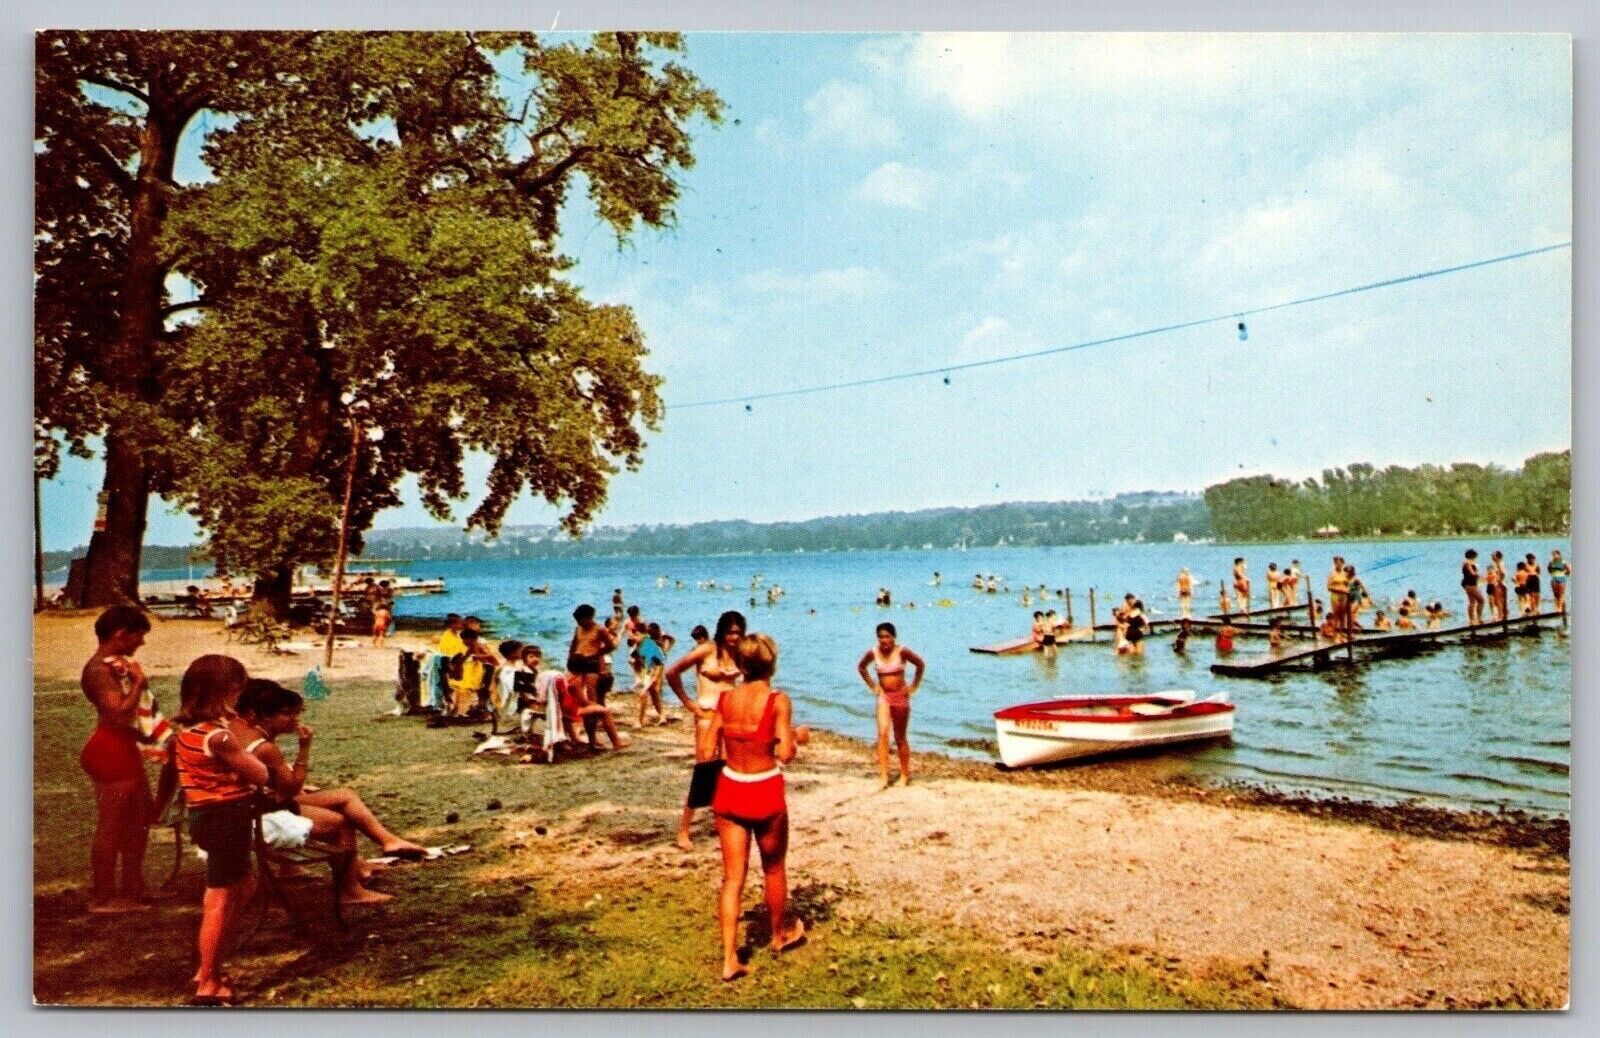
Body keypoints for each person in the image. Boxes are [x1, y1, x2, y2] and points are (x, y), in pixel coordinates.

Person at [231, 679, 426, 903]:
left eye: (297, 713)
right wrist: (304, 748)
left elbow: (274, 781)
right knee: (339, 821)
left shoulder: (242, 733)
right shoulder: (265, 748)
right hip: (260, 813)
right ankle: (351, 890)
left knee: (341, 796)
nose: (294, 719)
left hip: (250, 805)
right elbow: (291, 786)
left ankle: (374, 851)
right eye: (288, 714)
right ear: (263, 715)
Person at [708, 633, 809, 981]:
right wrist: (798, 737)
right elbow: (785, 754)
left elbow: (708, 751)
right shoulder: (778, 700)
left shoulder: (724, 699)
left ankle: (728, 958)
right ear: (772, 665)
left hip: (730, 787)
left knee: (732, 878)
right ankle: (779, 936)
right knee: (774, 867)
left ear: (739, 666)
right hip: (764, 788)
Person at [171, 655, 272, 1005]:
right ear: (227, 693)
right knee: (219, 899)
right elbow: (261, 774)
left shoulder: (186, 731)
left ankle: (209, 960)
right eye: (239, 692)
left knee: (245, 885)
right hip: (226, 818)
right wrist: (252, 741)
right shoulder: (219, 737)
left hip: (203, 817)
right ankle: (209, 981)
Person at [80, 606, 158, 915]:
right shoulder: (99, 670)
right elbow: (117, 714)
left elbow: (133, 719)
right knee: (112, 825)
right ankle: (102, 898)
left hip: (123, 747)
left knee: (139, 820)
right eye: (138, 636)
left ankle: (133, 887)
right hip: (110, 750)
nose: (141, 643)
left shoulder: (114, 666)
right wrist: (139, 683)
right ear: (121, 634)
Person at [666, 611, 746, 851]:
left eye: (739, 632)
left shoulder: (739, 654)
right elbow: (672, 672)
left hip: (729, 716)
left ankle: (722, 820)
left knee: (726, 770)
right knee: (702, 771)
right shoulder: (707, 649)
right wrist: (689, 704)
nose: (735, 636)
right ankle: (683, 830)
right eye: (731, 632)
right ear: (721, 631)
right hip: (707, 715)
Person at [856, 622, 925, 788]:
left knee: (900, 737)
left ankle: (905, 774)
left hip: (901, 697)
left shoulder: (902, 651)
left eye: (887, 636)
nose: (883, 640)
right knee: (883, 733)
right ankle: (884, 776)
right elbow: (861, 667)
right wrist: (873, 687)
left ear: (894, 637)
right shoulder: (873, 652)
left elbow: (920, 664)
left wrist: (914, 686)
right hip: (884, 697)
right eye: (880, 637)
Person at [566, 604, 616, 712]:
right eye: (577, 620)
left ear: (589, 618)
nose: (578, 623)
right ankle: (578, 714)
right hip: (578, 662)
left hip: (591, 663)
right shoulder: (578, 628)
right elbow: (574, 644)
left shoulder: (599, 629)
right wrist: (570, 658)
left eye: (580, 620)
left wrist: (598, 653)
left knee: (591, 691)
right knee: (574, 689)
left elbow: (611, 646)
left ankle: (594, 715)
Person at [634, 623, 669, 727]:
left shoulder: (648, 645)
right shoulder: (640, 645)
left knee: (642, 695)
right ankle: (662, 716)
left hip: (650, 674)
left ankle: (639, 721)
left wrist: (655, 677)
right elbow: (635, 661)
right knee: (654, 695)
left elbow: (659, 663)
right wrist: (637, 676)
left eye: (636, 634)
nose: (634, 637)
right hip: (645, 673)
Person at [1461, 549, 1484, 625]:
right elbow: (1473, 573)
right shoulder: (1467, 563)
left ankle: (1472, 620)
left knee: (1472, 602)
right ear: (1473, 556)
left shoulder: (1467, 563)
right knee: (1481, 600)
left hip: (1469, 584)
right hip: (1470, 584)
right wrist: (1482, 577)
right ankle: (1479, 618)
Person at [1486, 551, 1509, 623]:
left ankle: (1501, 617)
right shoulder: (1496, 564)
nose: (1492, 557)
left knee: (1499, 601)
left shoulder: (1499, 564)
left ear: (1498, 557)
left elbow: (1502, 574)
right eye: (1492, 556)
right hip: (1497, 584)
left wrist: (1499, 581)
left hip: (1500, 585)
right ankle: (1501, 616)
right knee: (1498, 601)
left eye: (1494, 556)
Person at [1327, 557, 1349, 627]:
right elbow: (1329, 587)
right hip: (1335, 595)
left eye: (1340, 563)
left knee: (1343, 615)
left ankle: (1343, 632)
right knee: (1336, 614)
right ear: (1334, 564)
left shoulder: (1345, 573)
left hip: (1344, 596)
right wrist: (1339, 590)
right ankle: (1335, 633)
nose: (1338, 564)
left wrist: (1347, 590)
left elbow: (1348, 584)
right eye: (1336, 563)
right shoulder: (1332, 574)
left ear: (1343, 564)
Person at [1548, 550, 1569, 614]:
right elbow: (1549, 570)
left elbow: (1569, 570)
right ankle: (1559, 607)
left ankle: (1559, 609)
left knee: (1561, 594)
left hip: (1561, 578)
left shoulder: (1563, 562)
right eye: (1553, 554)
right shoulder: (1551, 562)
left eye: (1555, 554)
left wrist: (1563, 573)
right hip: (1554, 578)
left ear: (1559, 555)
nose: (1554, 556)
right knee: (1556, 595)